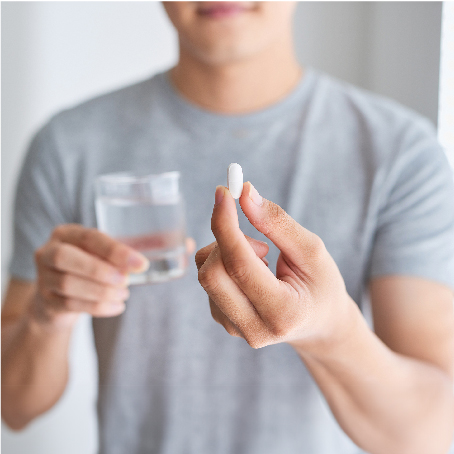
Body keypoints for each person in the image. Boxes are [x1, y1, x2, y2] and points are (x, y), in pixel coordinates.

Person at [2, 2, 454, 453]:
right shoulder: (68, 146)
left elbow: (428, 434)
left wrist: (329, 328)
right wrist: (46, 316)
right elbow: (13, 406)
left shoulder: (400, 156)